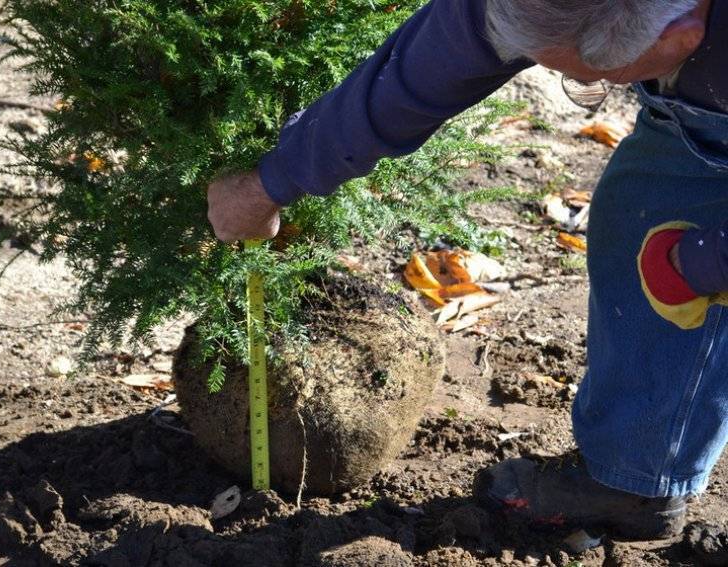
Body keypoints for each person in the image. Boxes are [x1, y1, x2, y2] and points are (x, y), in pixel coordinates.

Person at [207, 0, 728, 540]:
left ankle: (636, 486)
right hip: (703, 109)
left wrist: (700, 263)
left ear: (682, 36)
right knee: (640, 220)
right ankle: (635, 468)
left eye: (589, 80)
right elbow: (431, 63)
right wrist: (271, 181)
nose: (581, 87)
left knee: (671, 256)